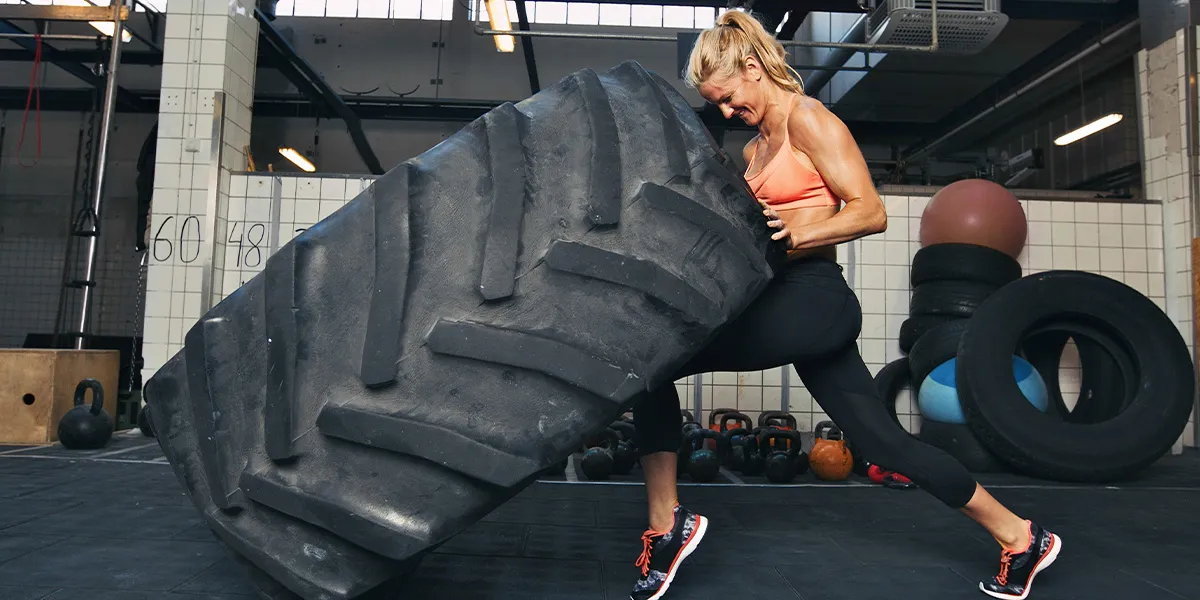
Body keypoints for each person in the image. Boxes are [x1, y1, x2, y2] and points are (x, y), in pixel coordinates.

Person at [625, 10, 1061, 600]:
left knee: (653, 362)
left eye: (727, 97)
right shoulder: (755, 150)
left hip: (813, 301)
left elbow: (870, 210)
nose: (726, 112)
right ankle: (1021, 536)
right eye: (717, 105)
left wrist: (795, 235)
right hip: (788, 303)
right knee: (886, 445)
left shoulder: (809, 119)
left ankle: (666, 524)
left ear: (753, 69)